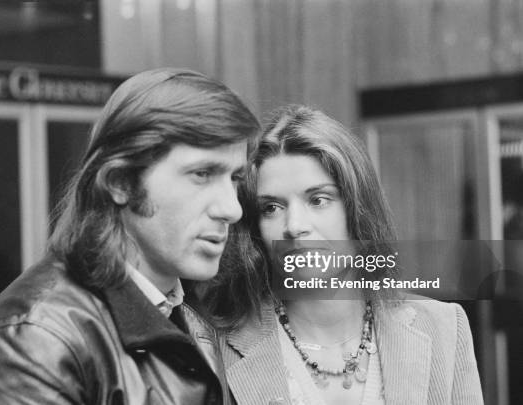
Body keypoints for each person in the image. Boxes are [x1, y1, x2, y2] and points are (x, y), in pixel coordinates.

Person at [0, 68, 259, 405]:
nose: (232, 209)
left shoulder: (187, 310)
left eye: (235, 178)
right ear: (121, 182)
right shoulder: (32, 340)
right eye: (202, 174)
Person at [205, 105, 483, 405]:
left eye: (318, 200)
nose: (295, 227)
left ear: (357, 207)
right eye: (271, 207)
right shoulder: (214, 347)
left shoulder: (444, 327)